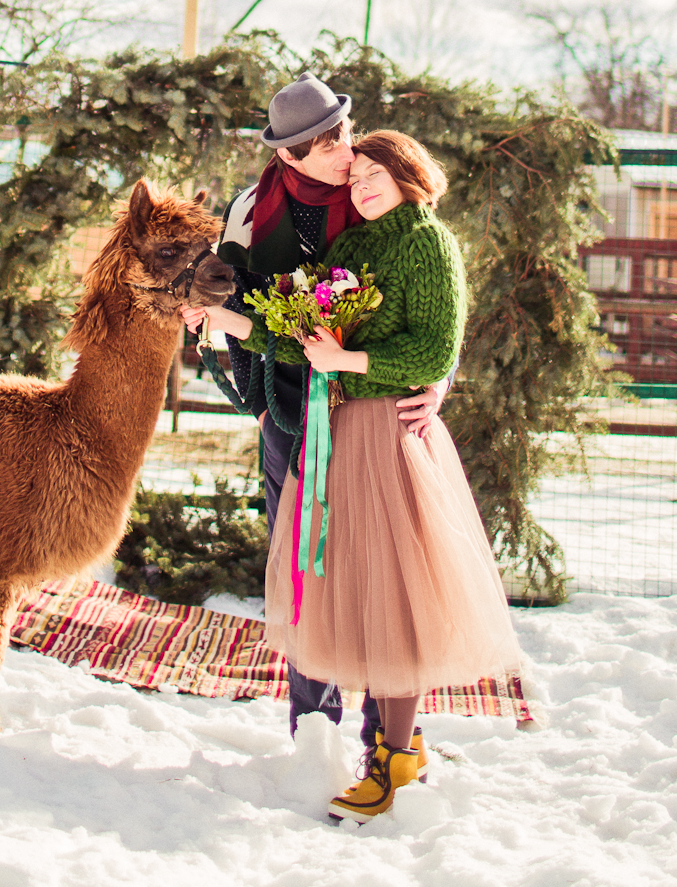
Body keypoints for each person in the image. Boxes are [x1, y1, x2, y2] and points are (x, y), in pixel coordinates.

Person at [212, 128, 521, 820]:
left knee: (396, 593)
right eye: (356, 178)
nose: (361, 184)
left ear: (411, 173)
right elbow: (295, 329)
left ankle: (393, 756)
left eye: (374, 172)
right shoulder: (353, 247)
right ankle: (339, 743)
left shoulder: (426, 240)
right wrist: (221, 316)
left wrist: (346, 363)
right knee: (346, 582)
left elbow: (432, 346)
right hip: (343, 433)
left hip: (393, 435)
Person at [185, 75, 448, 754]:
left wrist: (438, 376)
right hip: (285, 402)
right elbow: (230, 292)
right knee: (303, 564)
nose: (343, 148)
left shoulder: (373, 189)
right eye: (323, 142)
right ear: (288, 156)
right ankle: (315, 733)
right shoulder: (252, 208)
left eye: (342, 129)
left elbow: (433, 294)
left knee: (383, 566)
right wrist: (205, 307)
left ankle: (385, 738)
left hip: (371, 404)